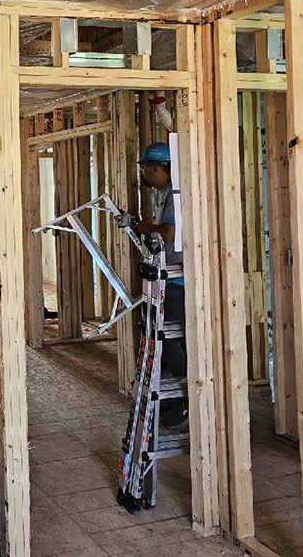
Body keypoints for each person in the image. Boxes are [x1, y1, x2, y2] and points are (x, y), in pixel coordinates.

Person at [115, 141, 188, 429]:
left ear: (158, 168)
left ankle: (185, 397)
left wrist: (136, 223)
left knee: (171, 339)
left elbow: (169, 233)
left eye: (144, 168)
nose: (143, 174)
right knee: (164, 339)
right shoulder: (163, 193)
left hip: (177, 280)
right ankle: (172, 398)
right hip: (168, 275)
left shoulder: (174, 195)